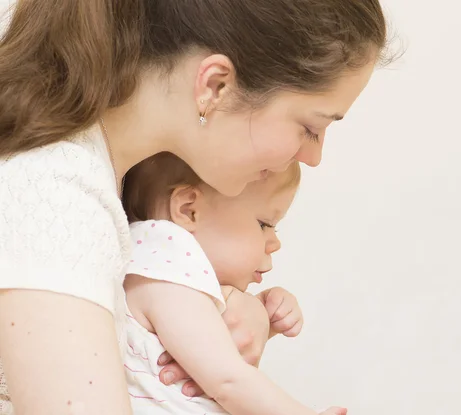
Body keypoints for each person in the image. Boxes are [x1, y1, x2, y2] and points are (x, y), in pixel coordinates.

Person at [0, 0, 390, 414]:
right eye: (310, 128)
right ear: (215, 86)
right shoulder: (56, 195)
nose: (314, 158)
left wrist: (215, 307)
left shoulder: (102, 183)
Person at [122, 153, 318, 414]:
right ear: (188, 210)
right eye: (264, 224)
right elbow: (229, 380)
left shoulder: (166, 276)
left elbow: (222, 348)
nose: (275, 243)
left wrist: (262, 316)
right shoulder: (162, 266)